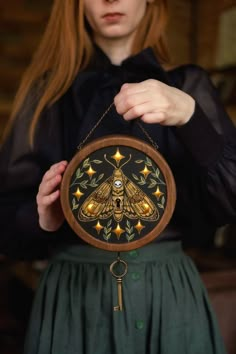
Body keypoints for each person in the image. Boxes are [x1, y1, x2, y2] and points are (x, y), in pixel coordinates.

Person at [0, 0, 236, 353]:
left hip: (169, 295)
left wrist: (189, 113)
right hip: (73, 300)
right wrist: (42, 220)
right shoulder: (47, 93)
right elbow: (5, 220)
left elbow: (230, 197)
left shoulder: (188, 84)